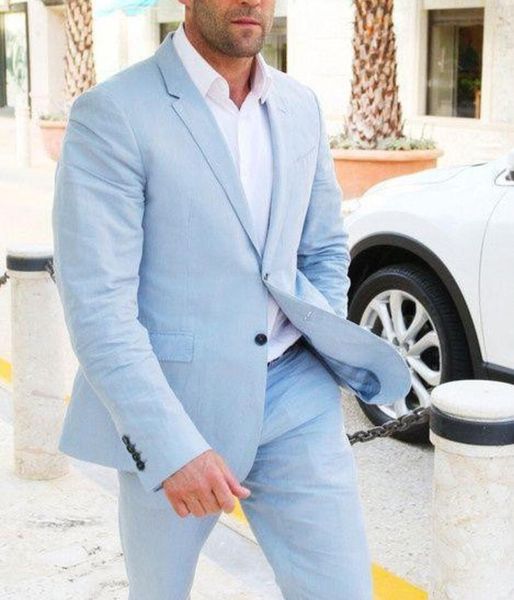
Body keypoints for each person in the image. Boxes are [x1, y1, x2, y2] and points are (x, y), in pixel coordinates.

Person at [52, 1, 411, 598]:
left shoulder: (299, 104)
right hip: (175, 401)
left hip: (296, 394)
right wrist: (169, 448)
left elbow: (323, 246)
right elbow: (98, 308)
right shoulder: (112, 114)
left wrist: (320, 346)